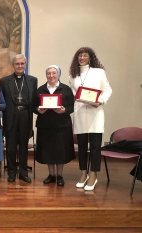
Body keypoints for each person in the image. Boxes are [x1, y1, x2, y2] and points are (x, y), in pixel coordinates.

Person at [69, 47, 112, 191]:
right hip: (80, 113)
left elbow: (107, 89)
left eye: (85, 56)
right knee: (81, 147)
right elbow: (75, 95)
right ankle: (83, 174)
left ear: (90, 57)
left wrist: (100, 101)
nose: (82, 58)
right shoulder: (72, 76)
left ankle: (93, 175)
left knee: (94, 147)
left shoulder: (98, 72)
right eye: (79, 56)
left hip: (95, 113)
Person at [34, 65, 75, 186]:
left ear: (58, 75)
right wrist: (38, 110)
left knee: (60, 152)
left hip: (62, 126)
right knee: (48, 151)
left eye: (54, 73)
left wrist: (64, 110)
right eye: (49, 73)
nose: (51, 76)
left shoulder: (66, 89)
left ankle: (60, 175)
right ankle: (51, 175)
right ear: (46, 75)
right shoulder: (40, 90)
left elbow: (72, 106)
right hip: (45, 125)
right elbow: (33, 106)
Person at [0, 54, 37, 183]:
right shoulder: (4, 81)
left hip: (25, 115)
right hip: (11, 115)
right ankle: (11, 172)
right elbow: (2, 100)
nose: (20, 66)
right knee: (10, 147)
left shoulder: (33, 80)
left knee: (24, 146)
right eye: (17, 64)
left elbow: (34, 101)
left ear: (25, 65)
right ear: (13, 65)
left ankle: (23, 173)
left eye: (22, 64)